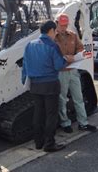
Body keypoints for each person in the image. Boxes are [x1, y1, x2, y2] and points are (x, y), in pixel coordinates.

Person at [22, 20, 73, 152]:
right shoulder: (52, 45)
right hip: (50, 84)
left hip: (35, 84)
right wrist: (67, 60)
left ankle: (38, 142)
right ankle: (49, 144)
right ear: (51, 30)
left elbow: (25, 66)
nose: (56, 33)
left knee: (38, 113)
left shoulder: (30, 45)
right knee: (51, 115)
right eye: (55, 30)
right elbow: (59, 66)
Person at [55, 13, 97, 133]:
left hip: (73, 70)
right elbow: (51, 53)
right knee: (62, 99)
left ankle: (83, 123)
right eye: (61, 25)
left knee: (78, 97)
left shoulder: (73, 35)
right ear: (57, 23)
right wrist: (63, 58)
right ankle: (65, 123)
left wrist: (74, 57)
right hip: (61, 72)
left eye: (65, 25)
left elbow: (81, 49)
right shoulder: (53, 37)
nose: (63, 27)